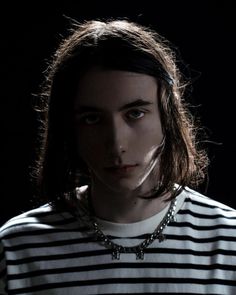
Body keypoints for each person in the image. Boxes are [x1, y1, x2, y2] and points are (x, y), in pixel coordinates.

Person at [0, 18, 236, 295]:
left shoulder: (229, 241)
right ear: (69, 128)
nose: (116, 143)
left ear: (167, 115)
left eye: (135, 113)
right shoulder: (17, 248)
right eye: (92, 119)